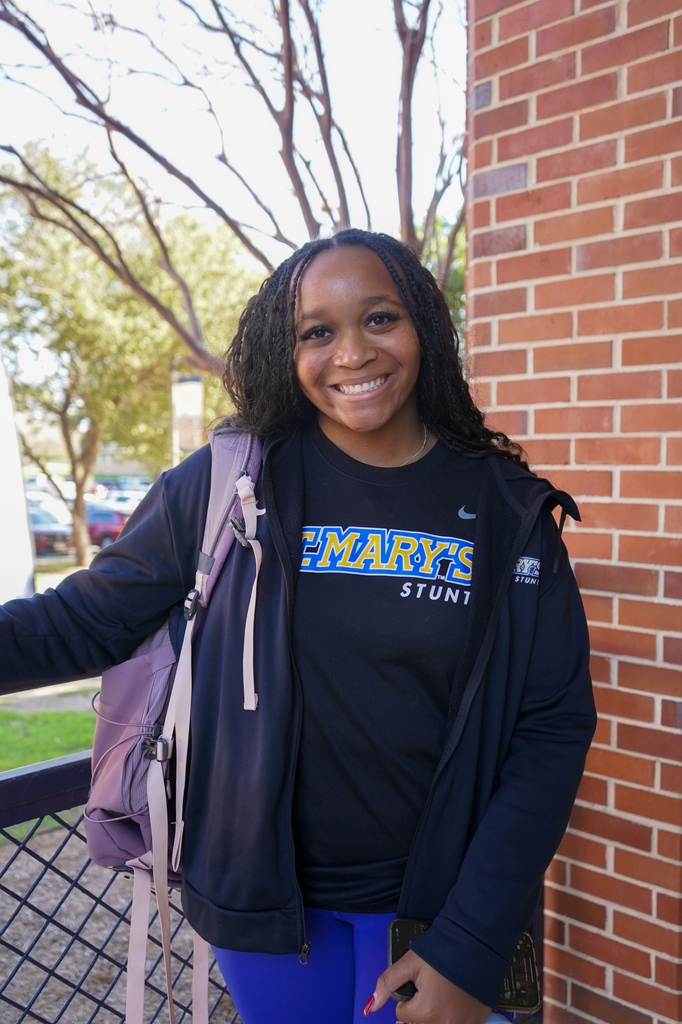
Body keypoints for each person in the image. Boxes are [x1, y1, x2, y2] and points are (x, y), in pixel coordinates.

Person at [0, 229, 595, 1024]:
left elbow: (551, 728)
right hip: (271, 917)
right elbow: (80, 622)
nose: (351, 353)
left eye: (379, 319)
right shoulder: (227, 486)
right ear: (287, 351)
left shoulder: (506, 510)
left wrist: (472, 940)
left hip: (441, 911)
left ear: (422, 325)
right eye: (317, 331)